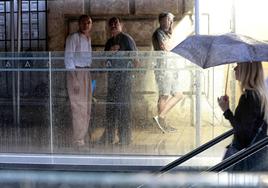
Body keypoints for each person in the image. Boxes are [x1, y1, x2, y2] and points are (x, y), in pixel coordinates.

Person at [218, 62, 268, 169]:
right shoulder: (257, 95)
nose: (235, 69)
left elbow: (243, 133)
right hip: (254, 158)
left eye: (239, 66)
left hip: (245, 158)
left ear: (247, 71)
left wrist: (227, 111)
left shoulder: (249, 98)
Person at [101, 17, 137, 145]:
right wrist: (110, 52)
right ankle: (109, 137)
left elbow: (136, 60)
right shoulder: (109, 42)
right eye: (111, 23)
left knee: (124, 109)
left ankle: (125, 138)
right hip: (112, 81)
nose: (113, 25)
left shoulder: (127, 39)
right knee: (111, 109)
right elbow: (103, 62)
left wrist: (130, 72)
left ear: (121, 24)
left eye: (116, 23)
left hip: (124, 80)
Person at [152, 12, 184, 133]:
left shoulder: (168, 34)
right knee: (164, 95)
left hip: (171, 69)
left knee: (178, 94)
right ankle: (162, 123)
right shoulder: (158, 33)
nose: (169, 22)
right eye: (167, 20)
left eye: (170, 20)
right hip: (163, 69)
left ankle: (161, 117)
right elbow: (165, 48)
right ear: (160, 21)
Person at [64, 15, 93, 148]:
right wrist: (74, 79)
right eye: (83, 22)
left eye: (89, 22)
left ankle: (82, 136)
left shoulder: (88, 38)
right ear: (79, 24)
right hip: (76, 73)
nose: (86, 25)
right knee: (78, 107)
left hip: (86, 73)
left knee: (87, 106)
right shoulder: (73, 37)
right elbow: (68, 58)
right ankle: (78, 139)